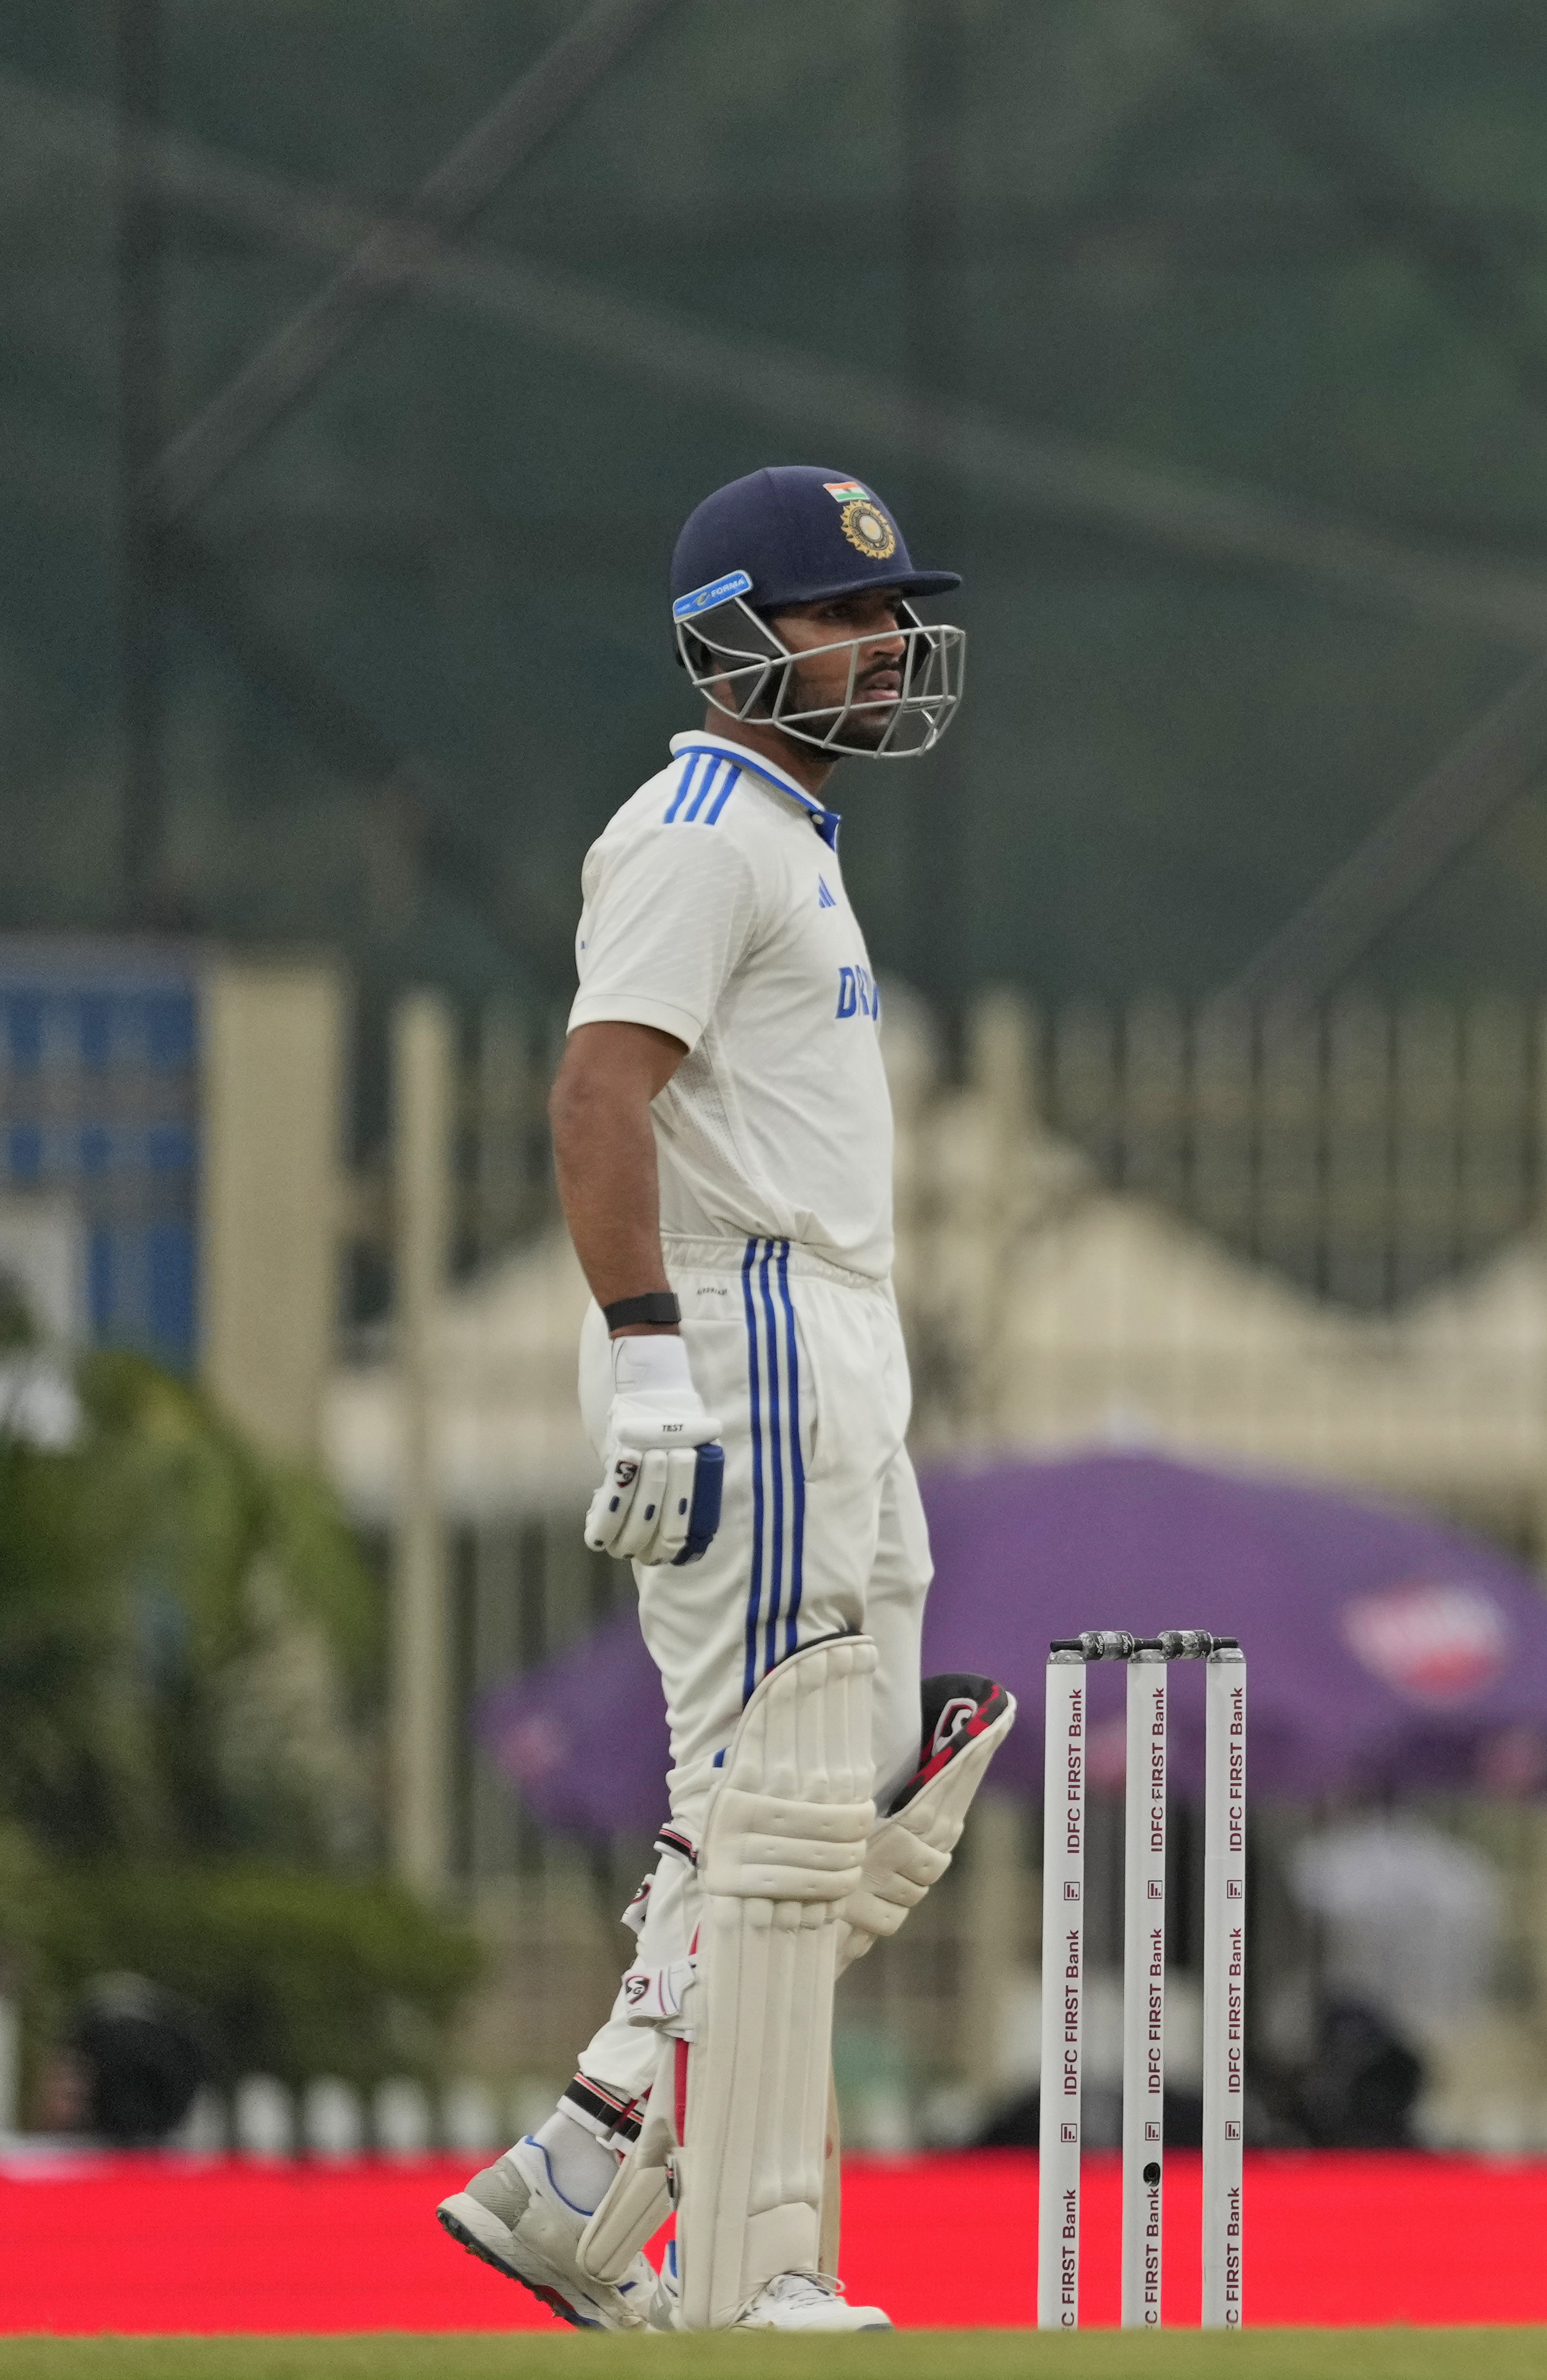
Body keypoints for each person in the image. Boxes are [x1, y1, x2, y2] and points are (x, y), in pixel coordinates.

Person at [437, 467, 1017, 2334]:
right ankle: (754, 2261)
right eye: (836, 615)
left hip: (840, 1326)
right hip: (752, 1323)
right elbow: (599, 1097)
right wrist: (650, 1361)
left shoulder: (790, 839)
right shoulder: (697, 825)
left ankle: (595, 2149)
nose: (875, 644)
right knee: (769, 1794)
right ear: (731, 640)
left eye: (880, 612)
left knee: (848, 1795)